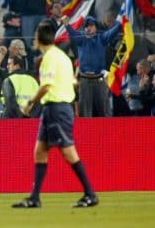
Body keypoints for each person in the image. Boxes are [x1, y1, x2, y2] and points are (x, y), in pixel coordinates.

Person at [12, 20, 98, 209]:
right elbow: (73, 83)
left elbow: (47, 85)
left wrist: (29, 103)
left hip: (56, 108)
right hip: (56, 107)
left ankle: (90, 194)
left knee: (68, 152)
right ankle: (34, 198)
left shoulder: (50, 58)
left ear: (39, 38)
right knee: (40, 152)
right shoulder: (63, 57)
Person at [65, 15, 120, 117]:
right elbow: (72, 34)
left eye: (91, 26)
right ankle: (86, 132)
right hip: (85, 80)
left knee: (104, 110)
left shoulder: (102, 37)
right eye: (86, 26)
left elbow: (111, 33)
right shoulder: (81, 38)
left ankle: (108, 131)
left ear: (96, 28)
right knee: (85, 112)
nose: (88, 28)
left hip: (99, 79)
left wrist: (120, 23)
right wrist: (67, 25)